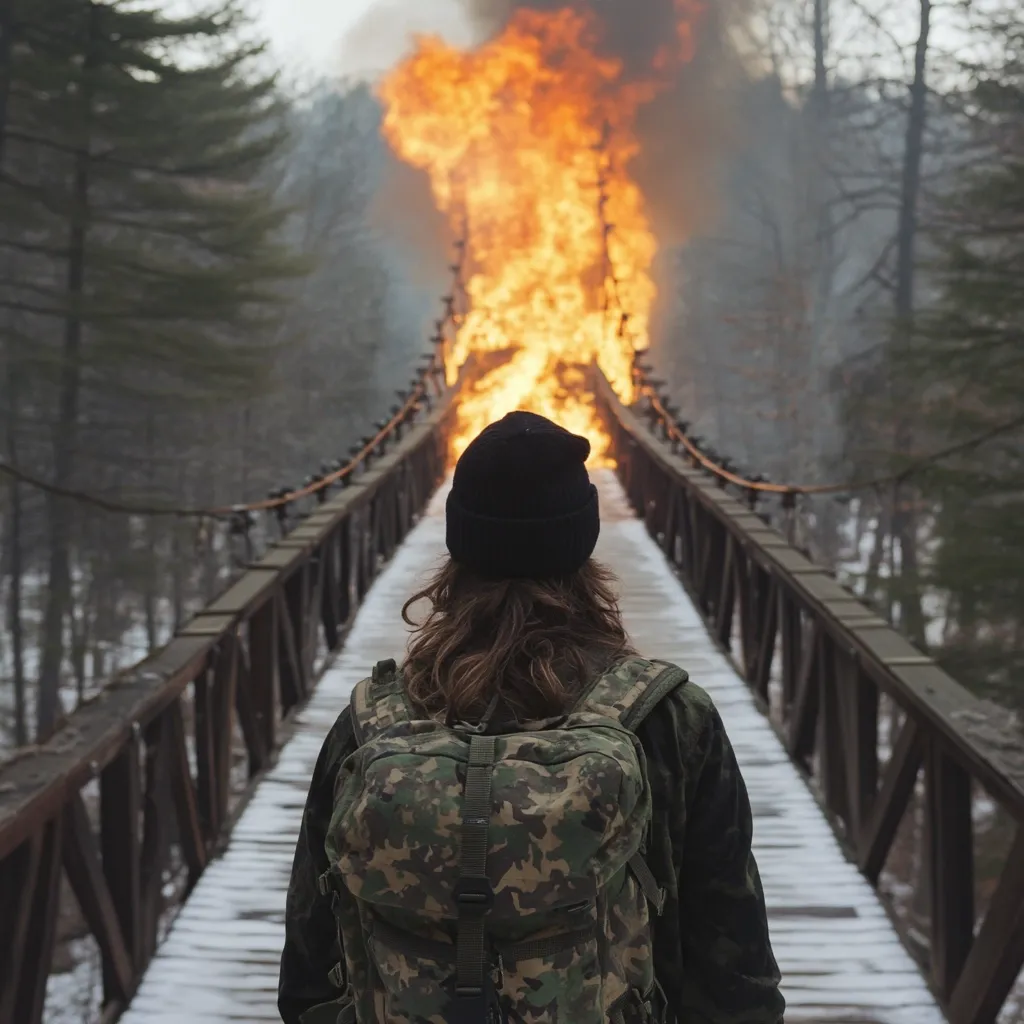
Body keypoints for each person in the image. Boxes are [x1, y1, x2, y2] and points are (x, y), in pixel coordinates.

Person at [279, 411, 784, 1024]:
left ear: (458, 543)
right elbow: (733, 970)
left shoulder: (372, 722)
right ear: (583, 542)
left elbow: (309, 973)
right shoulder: (670, 719)